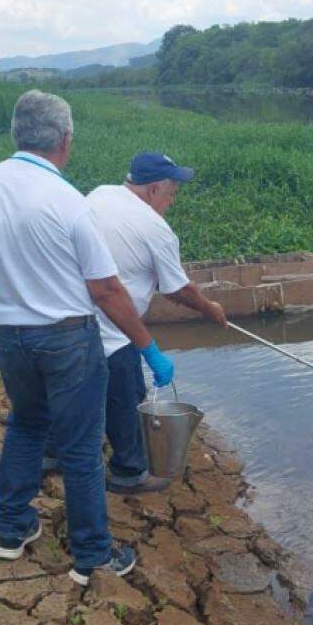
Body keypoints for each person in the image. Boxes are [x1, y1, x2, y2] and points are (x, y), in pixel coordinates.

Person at [0, 90, 176, 587]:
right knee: (82, 448)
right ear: (65, 140)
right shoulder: (68, 200)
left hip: (7, 336)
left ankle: (12, 530)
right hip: (67, 338)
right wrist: (145, 346)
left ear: (17, 134)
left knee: (26, 426)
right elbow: (107, 290)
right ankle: (91, 555)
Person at [85, 151, 226, 493]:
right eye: (171, 194)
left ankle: (67, 450)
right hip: (114, 329)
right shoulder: (155, 229)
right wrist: (210, 309)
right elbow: (178, 288)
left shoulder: (100, 194)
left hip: (72, 322)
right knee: (128, 397)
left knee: (87, 392)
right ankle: (128, 472)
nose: (171, 202)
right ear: (152, 190)